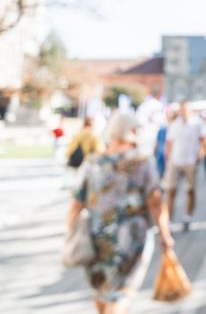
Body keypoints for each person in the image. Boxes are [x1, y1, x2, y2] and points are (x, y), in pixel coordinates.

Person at [66, 113, 174, 314]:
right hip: (132, 240)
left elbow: (75, 204)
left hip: (97, 237)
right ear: (132, 131)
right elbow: (156, 203)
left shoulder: (92, 162)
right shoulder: (143, 161)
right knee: (120, 296)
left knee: (101, 293)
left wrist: (70, 234)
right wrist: (165, 236)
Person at [164, 102, 206, 228]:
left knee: (190, 190)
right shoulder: (174, 124)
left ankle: (188, 216)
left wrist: (200, 155)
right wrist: (169, 157)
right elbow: (169, 142)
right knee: (171, 191)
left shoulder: (196, 123)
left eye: (185, 110)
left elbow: (203, 141)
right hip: (175, 161)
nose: (183, 113)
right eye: (181, 110)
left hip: (190, 161)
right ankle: (169, 220)